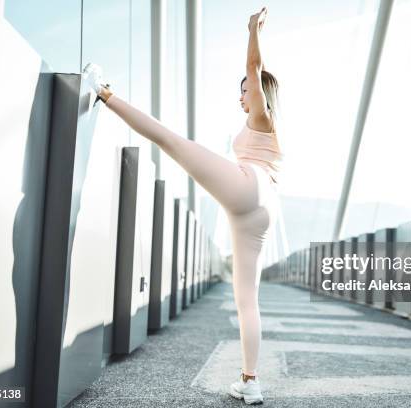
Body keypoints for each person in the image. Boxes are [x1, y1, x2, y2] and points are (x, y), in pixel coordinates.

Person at [82, 6, 281, 405]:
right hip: (262, 211)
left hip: (247, 188)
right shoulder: (267, 130)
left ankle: (104, 92)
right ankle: (250, 380)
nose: (242, 94)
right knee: (247, 300)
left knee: (171, 142)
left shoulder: (262, 116)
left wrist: (251, 32)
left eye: (245, 89)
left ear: (259, 92)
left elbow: (255, 64)